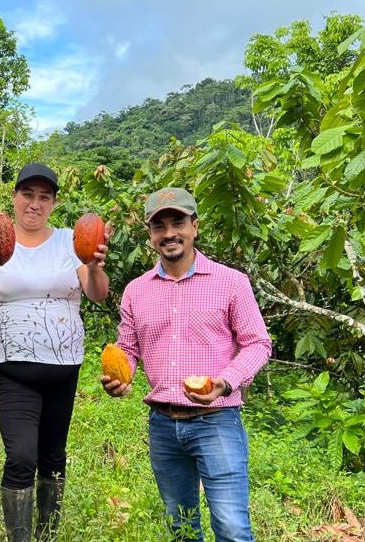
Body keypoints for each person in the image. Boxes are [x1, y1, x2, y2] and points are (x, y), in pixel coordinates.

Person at [100, 187, 272, 542]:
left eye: (177, 222)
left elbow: (258, 343)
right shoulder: (136, 290)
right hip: (162, 424)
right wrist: (121, 377)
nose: (169, 233)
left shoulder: (231, 282)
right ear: (150, 235)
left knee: (232, 529)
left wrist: (225, 382)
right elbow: (128, 349)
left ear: (194, 226)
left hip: (218, 420)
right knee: (181, 527)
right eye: (158, 226)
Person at [0, 163, 110, 541]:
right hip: (13, 368)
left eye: (44, 196)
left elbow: (96, 293)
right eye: (27, 194)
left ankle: (46, 534)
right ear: (14, 198)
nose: (35, 203)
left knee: (52, 458)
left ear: (53, 203)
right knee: (21, 456)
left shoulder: (69, 241)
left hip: (64, 367)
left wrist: (94, 266)